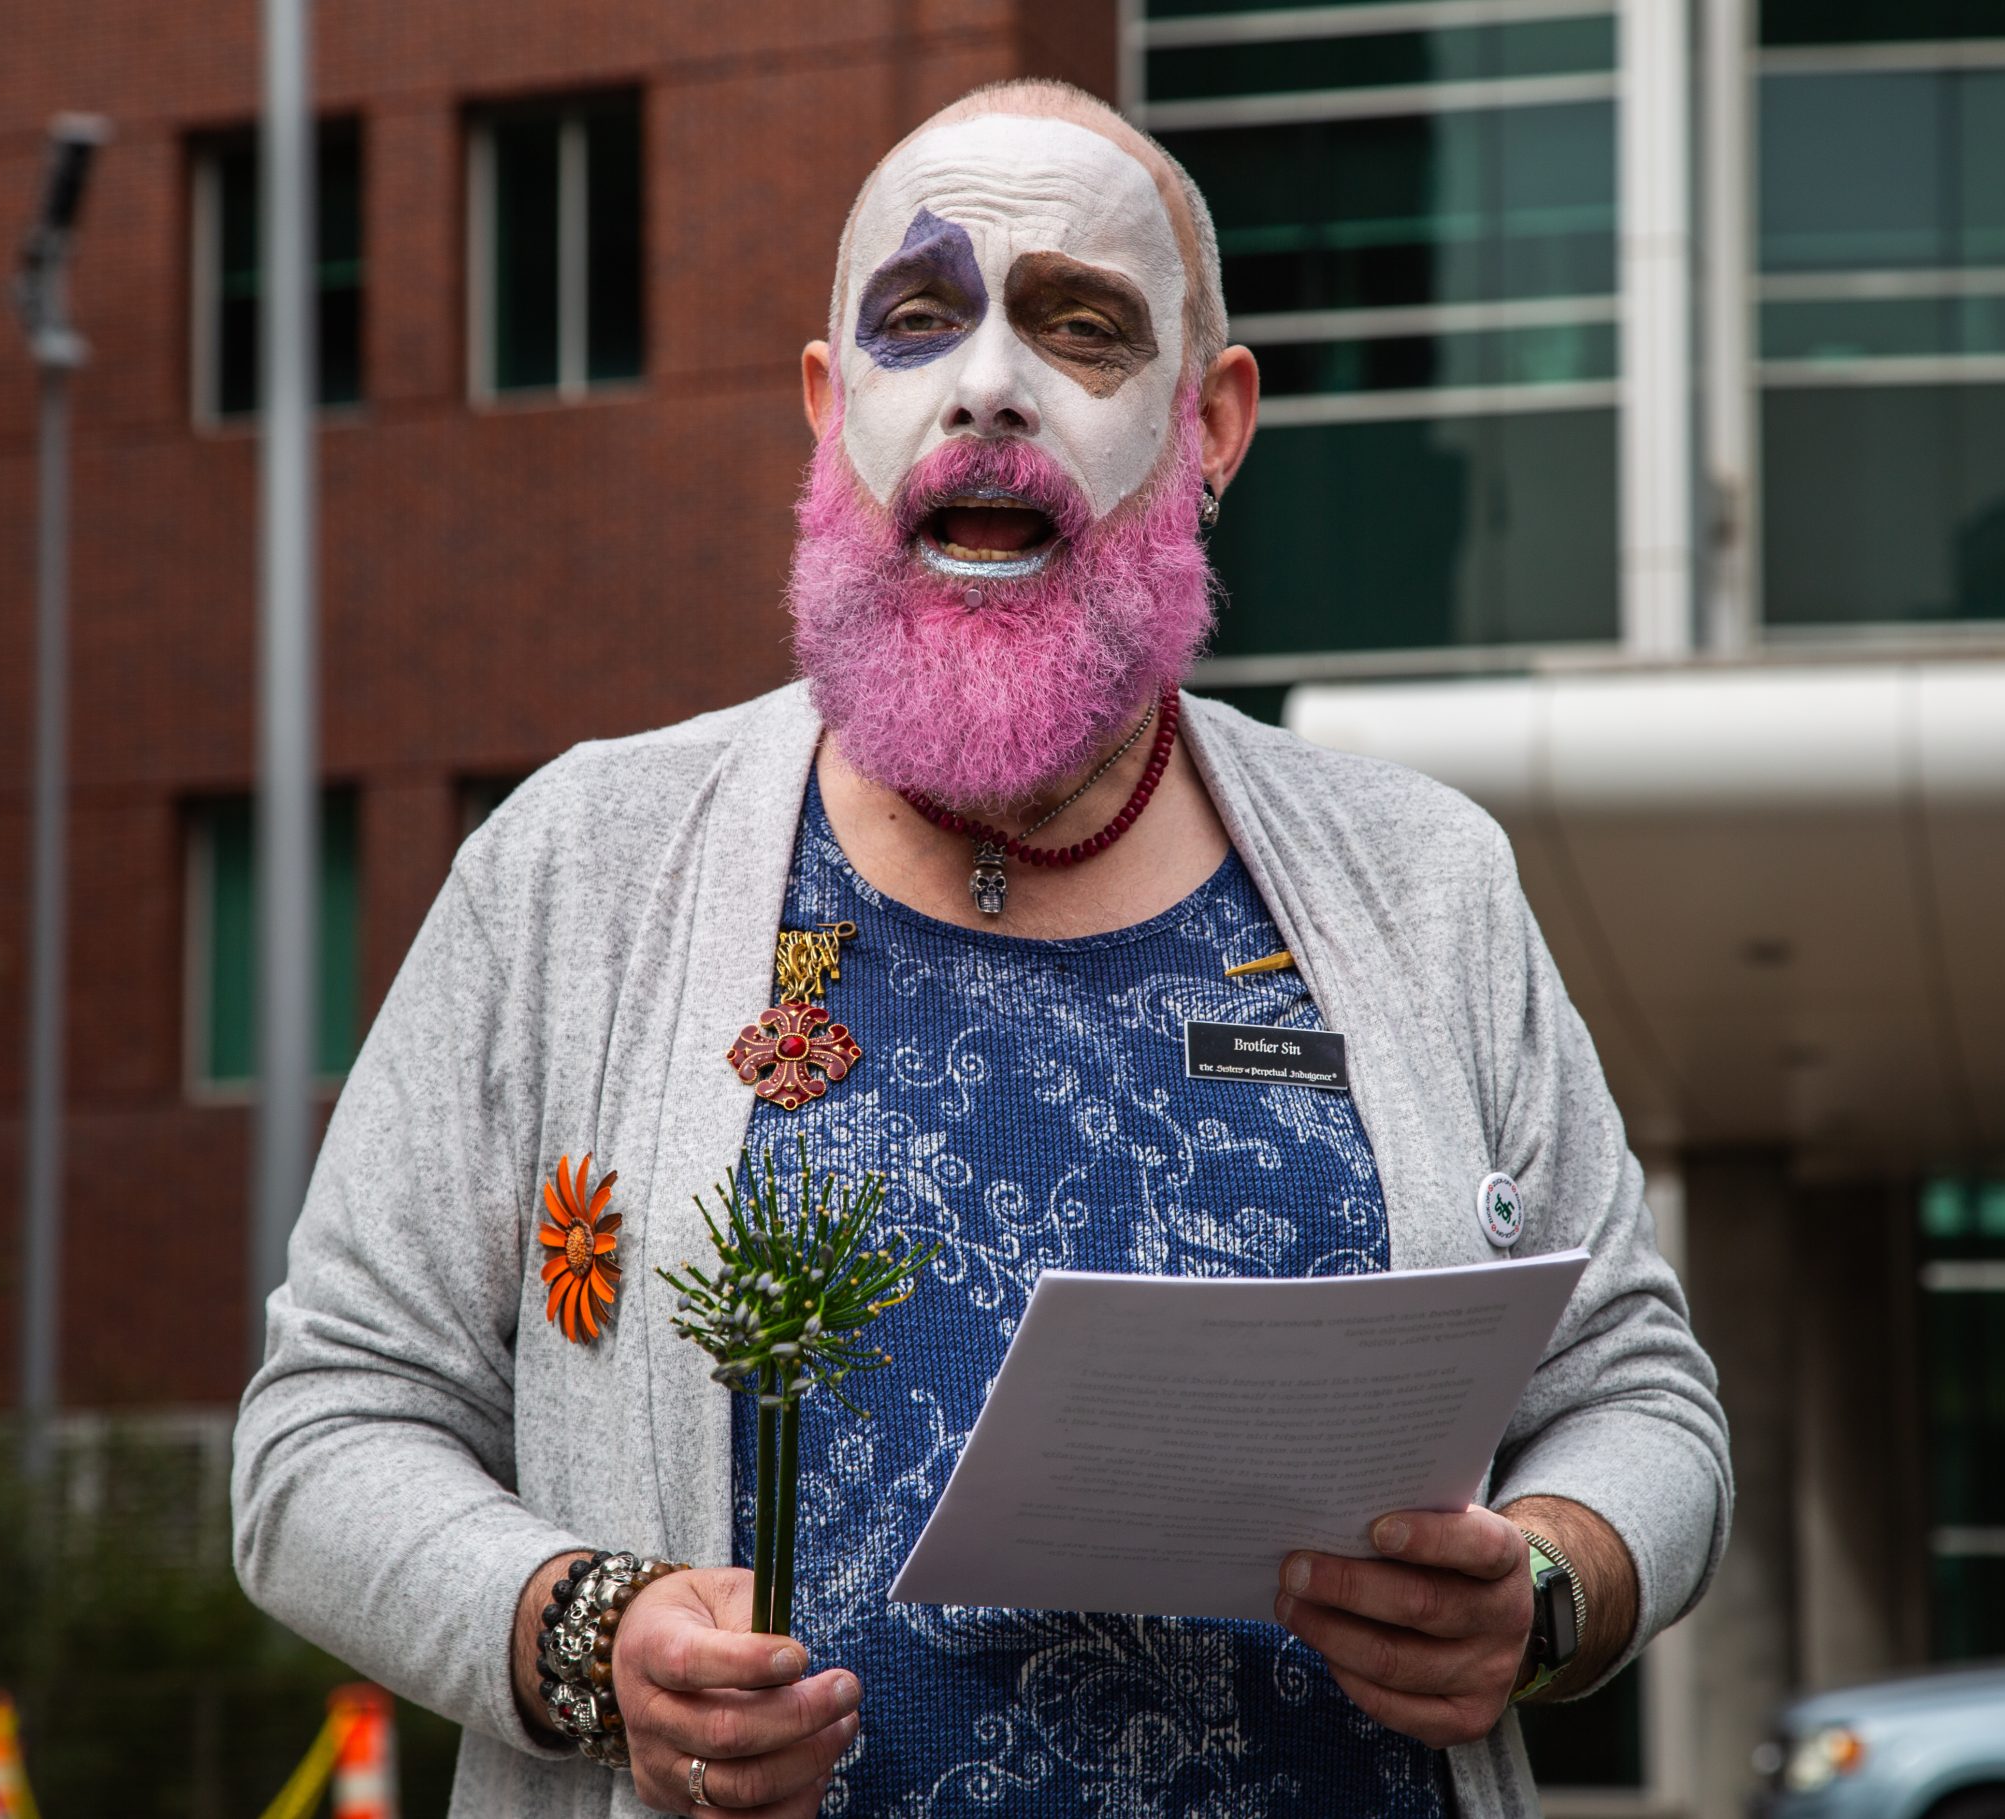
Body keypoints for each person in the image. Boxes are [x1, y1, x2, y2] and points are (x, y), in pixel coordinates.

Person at [234, 77, 1730, 1819]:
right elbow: (322, 1435)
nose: (989, 384)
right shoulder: (576, 869)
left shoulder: (1425, 884)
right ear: (827, 407)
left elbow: (1643, 1400)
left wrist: (1545, 1585)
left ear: (1212, 423)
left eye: (1082, 326)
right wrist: (586, 1635)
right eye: (918, 320)